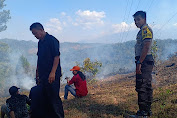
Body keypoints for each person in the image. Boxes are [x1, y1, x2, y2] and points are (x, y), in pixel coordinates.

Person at [30, 22, 64, 118]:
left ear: (41, 30)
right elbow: (39, 58)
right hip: (43, 74)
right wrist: (37, 72)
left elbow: (56, 57)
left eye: (35, 33)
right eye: (33, 34)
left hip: (52, 75)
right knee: (45, 98)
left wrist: (52, 72)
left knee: (54, 98)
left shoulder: (52, 40)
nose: (35, 36)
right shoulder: (40, 42)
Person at [131, 11, 154, 117]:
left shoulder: (145, 30)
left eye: (138, 19)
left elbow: (146, 46)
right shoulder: (142, 30)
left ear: (144, 19)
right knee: (146, 85)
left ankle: (142, 113)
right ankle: (147, 111)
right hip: (145, 60)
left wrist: (140, 62)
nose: (136, 22)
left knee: (142, 85)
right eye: (135, 20)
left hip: (144, 61)